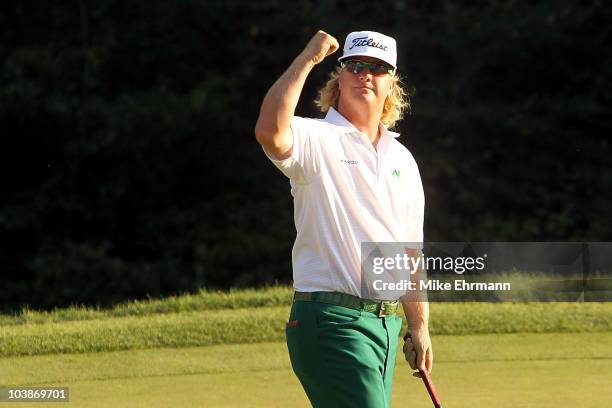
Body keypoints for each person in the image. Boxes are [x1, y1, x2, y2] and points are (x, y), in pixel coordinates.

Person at [255, 30, 432, 408]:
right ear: (339, 80)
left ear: (391, 85)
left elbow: (408, 254)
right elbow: (269, 131)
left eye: (377, 68)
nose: (365, 74)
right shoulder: (315, 137)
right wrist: (307, 57)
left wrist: (418, 325)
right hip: (330, 319)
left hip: (384, 326)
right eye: (355, 66)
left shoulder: (402, 159)